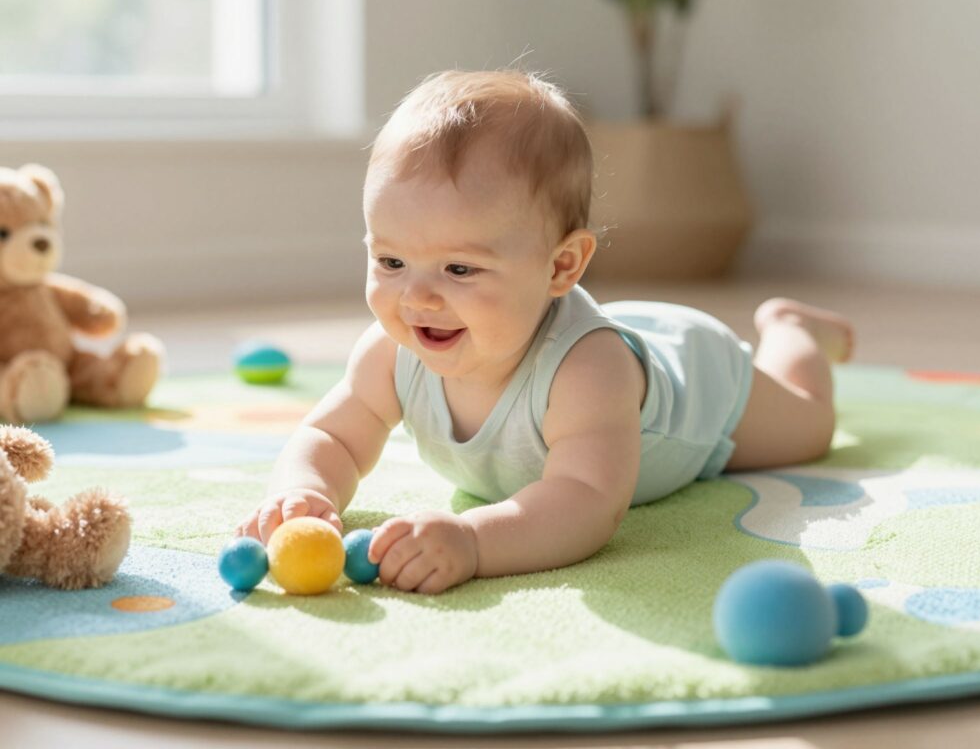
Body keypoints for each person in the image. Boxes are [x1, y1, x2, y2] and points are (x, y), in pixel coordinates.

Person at [236, 69, 854, 594]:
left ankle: (790, 329)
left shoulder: (588, 373)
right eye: (391, 261)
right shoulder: (389, 353)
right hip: (609, 329)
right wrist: (302, 491)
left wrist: (474, 541)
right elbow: (332, 436)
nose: (416, 298)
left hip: (703, 387)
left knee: (810, 426)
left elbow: (585, 500)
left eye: (459, 269)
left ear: (561, 267)